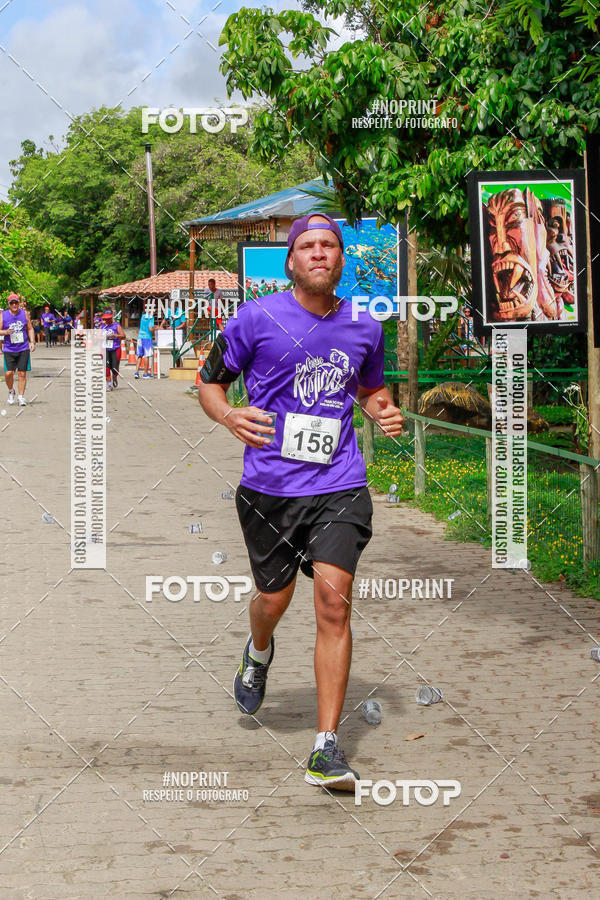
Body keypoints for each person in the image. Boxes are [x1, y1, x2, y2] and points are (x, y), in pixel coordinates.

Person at [198, 213, 404, 791]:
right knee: (273, 598)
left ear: (342, 260)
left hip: (340, 484)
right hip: (270, 489)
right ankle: (258, 647)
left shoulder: (365, 326)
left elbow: (368, 388)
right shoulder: (255, 318)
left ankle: (325, 748)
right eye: (308, 246)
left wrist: (380, 408)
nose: (319, 253)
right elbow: (210, 382)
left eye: (329, 245)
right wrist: (228, 413)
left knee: (333, 606)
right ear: (291, 261)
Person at [0, 293, 35, 406]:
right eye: (12, 303)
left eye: (16, 302)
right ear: (9, 304)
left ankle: (21, 397)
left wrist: (32, 342)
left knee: (22, 373)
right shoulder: (3, 315)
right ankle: (11, 391)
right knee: (9, 373)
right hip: (9, 348)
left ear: (19, 303)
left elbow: (30, 328)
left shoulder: (24, 314)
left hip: (23, 347)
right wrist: (6, 332)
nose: (14, 304)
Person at [100, 310, 126, 390]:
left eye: (108, 319)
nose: (106, 320)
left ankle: (114, 376)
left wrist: (115, 335)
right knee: (106, 367)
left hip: (115, 348)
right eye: (105, 319)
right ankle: (109, 384)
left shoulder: (116, 325)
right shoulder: (102, 327)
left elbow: (123, 336)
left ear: (111, 318)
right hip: (105, 349)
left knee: (114, 368)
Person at [135, 303, 157, 379]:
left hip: (140, 337)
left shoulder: (143, 316)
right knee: (146, 356)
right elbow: (150, 328)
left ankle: (136, 372)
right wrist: (156, 328)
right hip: (147, 338)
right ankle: (145, 374)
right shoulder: (151, 317)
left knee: (139, 355)